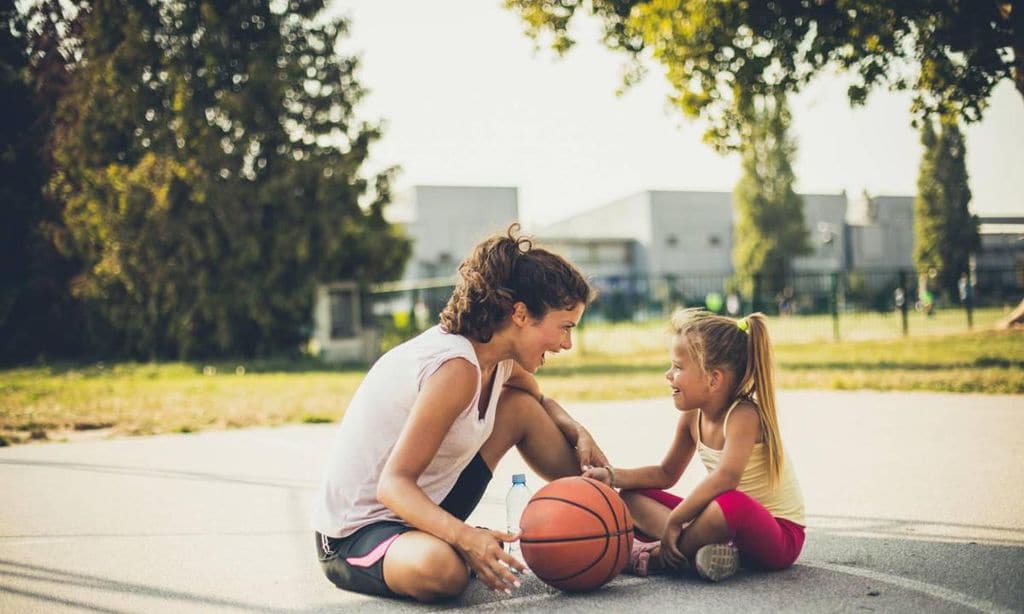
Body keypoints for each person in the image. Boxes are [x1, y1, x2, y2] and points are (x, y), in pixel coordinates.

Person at [311, 224, 608, 602]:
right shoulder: (455, 368)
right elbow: (393, 485)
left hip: (423, 510)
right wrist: (466, 537)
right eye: (564, 328)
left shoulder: (497, 358)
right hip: (359, 532)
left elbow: (538, 399)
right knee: (442, 572)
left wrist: (576, 429)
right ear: (520, 314)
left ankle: (602, 514)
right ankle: (461, 544)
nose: (567, 343)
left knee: (520, 408)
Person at [584, 308, 804, 582]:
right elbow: (666, 473)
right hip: (723, 528)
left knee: (730, 503)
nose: (668, 374)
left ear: (714, 379)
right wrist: (612, 475)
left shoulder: (744, 416)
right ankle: (703, 551)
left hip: (778, 536)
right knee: (631, 496)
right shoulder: (692, 416)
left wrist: (676, 521)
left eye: (677, 367)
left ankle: (655, 559)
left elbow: (727, 478)